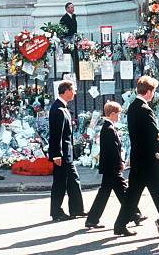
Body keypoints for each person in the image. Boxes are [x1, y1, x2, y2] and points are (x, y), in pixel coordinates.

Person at [113, 76, 159, 238]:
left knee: (134, 194)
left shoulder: (133, 107)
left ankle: (120, 225)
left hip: (138, 158)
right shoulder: (145, 109)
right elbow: (153, 134)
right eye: (153, 91)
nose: (153, 95)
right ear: (148, 92)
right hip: (149, 158)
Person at [86, 102, 146, 228]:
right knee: (122, 190)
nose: (119, 116)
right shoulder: (109, 129)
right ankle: (134, 214)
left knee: (115, 192)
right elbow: (113, 150)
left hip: (109, 167)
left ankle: (93, 219)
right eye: (118, 114)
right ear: (112, 114)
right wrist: (120, 163)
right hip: (112, 167)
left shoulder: (108, 127)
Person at [49, 80, 86, 221]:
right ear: (66, 91)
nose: (75, 93)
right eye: (73, 90)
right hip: (62, 154)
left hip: (67, 154)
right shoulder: (57, 109)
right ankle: (56, 212)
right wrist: (56, 154)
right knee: (59, 183)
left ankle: (77, 209)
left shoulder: (63, 107)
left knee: (73, 181)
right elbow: (55, 134)